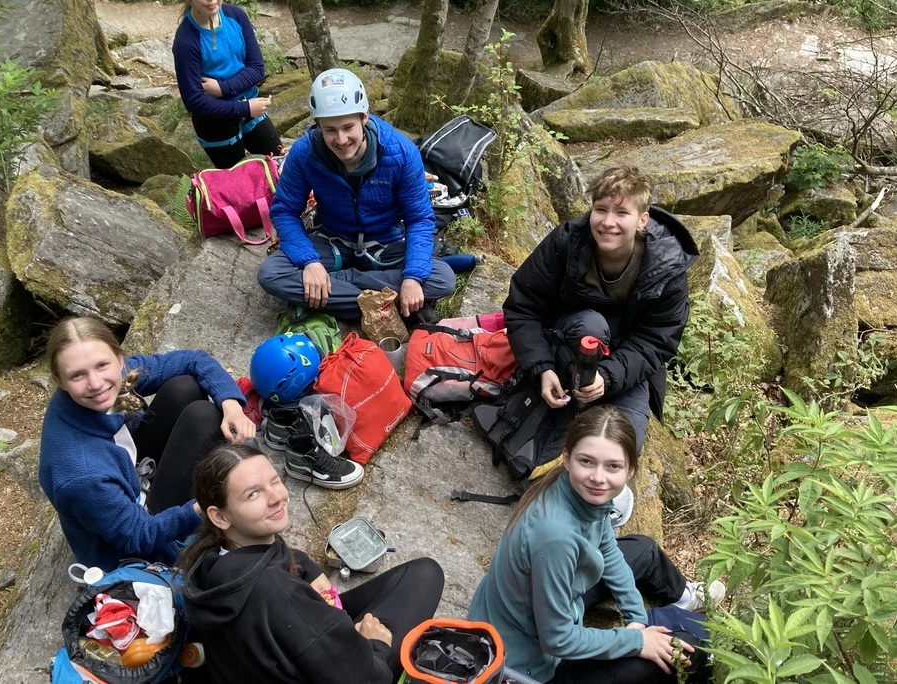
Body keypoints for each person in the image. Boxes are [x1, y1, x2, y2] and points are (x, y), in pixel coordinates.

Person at [469, 407, 712, 684]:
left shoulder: (579, 493)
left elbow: (608, 548)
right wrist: (635, 641)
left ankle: (684, 598)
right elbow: (558, 640)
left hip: (537, 607)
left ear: (630, 469)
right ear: (567, 458)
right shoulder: (555, 537)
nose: (598, 477)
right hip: (525, 663)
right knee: (683, 653)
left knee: (642, 549)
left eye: (613, 466)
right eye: (587, 462)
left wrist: (636, 617)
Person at [179, 444, 445, 683]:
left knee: (419, 573)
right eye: (253, 494)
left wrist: (308, 568)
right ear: (220, 516)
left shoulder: (209, 556)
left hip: (280, 649)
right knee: (426, 576)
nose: (276, 497)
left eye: (275, 481)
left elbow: (278, 557)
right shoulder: (280, 596)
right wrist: (376, 644)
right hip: (341, 665)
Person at [38, 316, 257, 571]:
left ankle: (160, 487)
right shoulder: (81, 474)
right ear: (59, 381)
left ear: (120, 359)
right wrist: (206, 506)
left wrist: (231, 404)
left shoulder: (108, 379)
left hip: (127, 472)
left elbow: (192, 360)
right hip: (138, 543)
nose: (96, 383)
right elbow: (137, 537)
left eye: (102, 365)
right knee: (204, 417)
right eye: (78, 376)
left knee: (183, 389)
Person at [503, 166, 698, 452]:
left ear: (643, 219)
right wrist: (541, 367)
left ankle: (590, 395)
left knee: (621, 451)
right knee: (590, 326)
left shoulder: (665, 268)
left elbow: (656, 340)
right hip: (566, 341)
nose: (608, 222)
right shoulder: (566, 243)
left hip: (625, 359)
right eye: (601, 209)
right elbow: (523, 306)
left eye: (621, 213)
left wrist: (606, 378)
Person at [257, 67, 456, 321]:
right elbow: (285, 211)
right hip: (332, 242)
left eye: (348, 127)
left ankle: (328, 290)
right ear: (317, 125)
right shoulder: (305, 153)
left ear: (365, 117)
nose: (341, 139)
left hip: (386, 244)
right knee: (272, 274)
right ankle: (387, 304)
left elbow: (419, 219)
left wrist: (413, 277)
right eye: (329, 130)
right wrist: (310, 262)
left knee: (442, 278)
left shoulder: (401, 152)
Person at [172, 0, 281, 169]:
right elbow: (194, 101)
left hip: (251, 105)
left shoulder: (236, 16)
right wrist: (245, 108)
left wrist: (223, 89)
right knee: (237, 186)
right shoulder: (185, 41)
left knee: (278, 166)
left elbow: (257, 68)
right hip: (215, 121)